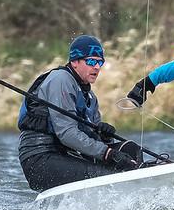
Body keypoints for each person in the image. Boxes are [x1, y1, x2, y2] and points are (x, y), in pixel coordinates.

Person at [18, 34, 140, 192]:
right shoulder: (60, 79)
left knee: (130, 149)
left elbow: (90, 141)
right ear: (75, 62)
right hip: (40, 159)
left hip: (68, 154)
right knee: (108, 176)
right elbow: (67, 133)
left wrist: (104, 137)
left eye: (100, 62)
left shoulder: (90, 97)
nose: (97, 67)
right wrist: (108, 153)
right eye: (91, 62)